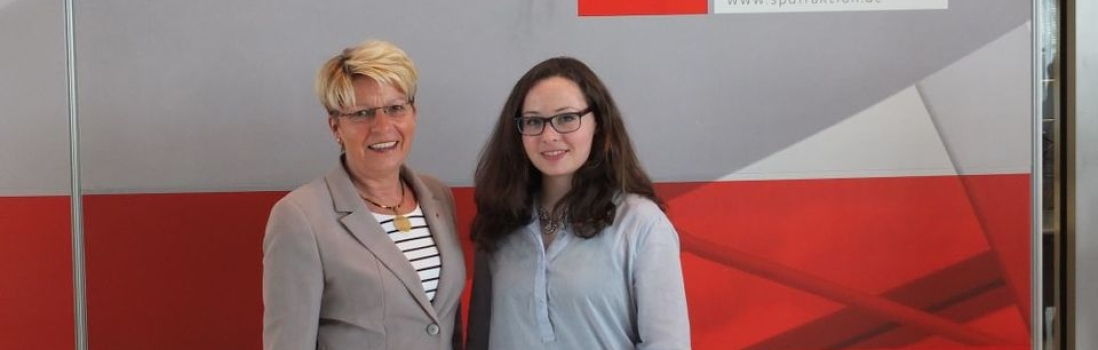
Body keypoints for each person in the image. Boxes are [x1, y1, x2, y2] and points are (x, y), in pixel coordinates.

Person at [466, 57, 691, 350]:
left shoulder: (641, 225)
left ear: (598, 123)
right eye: (533, 121)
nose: (549, 135)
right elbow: (479, 340)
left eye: (567, 118)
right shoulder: (500, 222)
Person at [262, 40, 465, 350]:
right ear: (335, 127)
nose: (382, 127)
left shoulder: (437, 195)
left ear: (413, 113)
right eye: (361, 113)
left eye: (396, 108)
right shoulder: (299, 217)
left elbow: (444, 323)